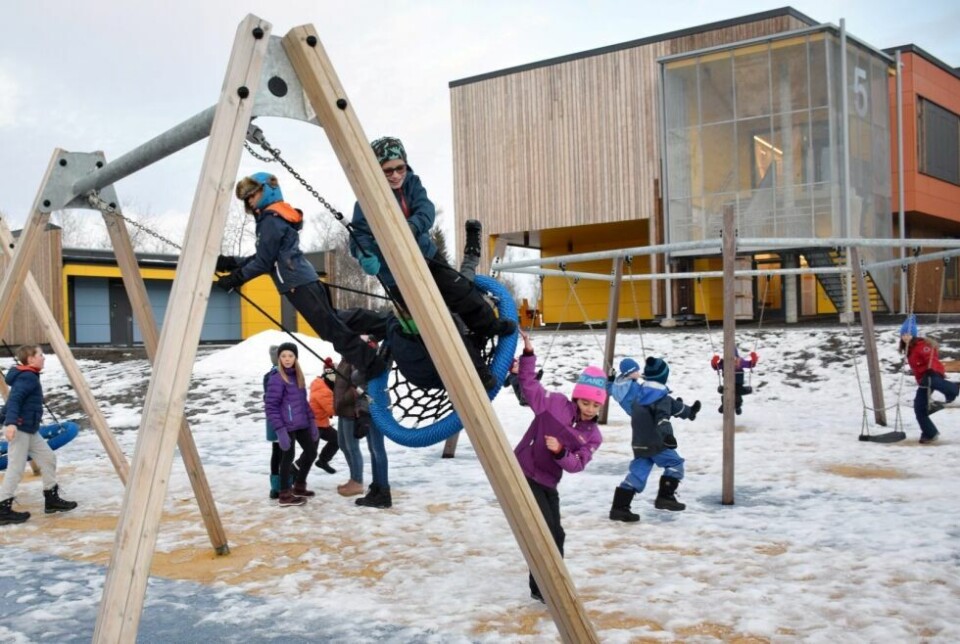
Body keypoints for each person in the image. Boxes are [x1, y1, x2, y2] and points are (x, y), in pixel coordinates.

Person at [217, 172, 386, 384]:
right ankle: (383, 324)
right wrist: (231, 263)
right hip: (303, 280)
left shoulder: (270, 220)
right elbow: (264, 256)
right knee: (334, 319)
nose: (250, 201)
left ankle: (371, 363)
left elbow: (264, 262)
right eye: (247, 199)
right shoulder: (275, 217)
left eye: (252, 195)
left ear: (266, 190)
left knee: (330, 329)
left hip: (298, 284)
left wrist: (235, 279)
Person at [349, 136, 515, 343]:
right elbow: (358, 235)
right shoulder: (365, 200)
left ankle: (487, 327)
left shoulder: (411, 183)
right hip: (394, 271)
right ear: (375, 170)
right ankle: (432, 357)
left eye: (400, 168)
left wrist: (412, 226)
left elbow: (425, 209)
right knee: (419, 319)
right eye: (388, 170)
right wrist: (365, 254)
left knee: (460, 291)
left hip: (425, 255)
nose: (396, 175)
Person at [512, 329, 604, 603]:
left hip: (549, 481)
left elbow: (577, 464)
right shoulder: (554, 406)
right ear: (576, 399)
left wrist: (561, 451)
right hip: (525, 472)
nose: (589, 409)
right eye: (585, 402)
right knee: (545, 531)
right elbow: (529, 386)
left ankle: (550, 584)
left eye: (595, 405)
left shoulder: (592, 436)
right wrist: (528, 355)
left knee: (557, 533)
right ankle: (544, 587)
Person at [607, 356, 700, 523]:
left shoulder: (639, 394)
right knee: (675, 464)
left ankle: (619, 508)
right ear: (663, 377)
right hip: (657, 442)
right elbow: (662, 418)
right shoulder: (659, 397)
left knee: (638, 473)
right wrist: (668, 436)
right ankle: (666, 497)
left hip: (639, 442)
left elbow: (673, 406)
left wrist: (689, 411)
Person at [0, 345, 77, 525]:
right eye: (41, 355)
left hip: (30, 429)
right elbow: (16, 401)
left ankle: (51, 500)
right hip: (19, 429)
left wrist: (4, 417)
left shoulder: (28, 376)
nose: (44, 357)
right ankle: (2, 508)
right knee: (16, 468)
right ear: (31, 359)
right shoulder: (27, 377)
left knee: (48, 458)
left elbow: (12, 400)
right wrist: (10, 423)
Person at [264, 342, 319, 506]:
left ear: (296, 358)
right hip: (286, 425)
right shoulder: (277, 378)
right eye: (283, 356)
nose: (287, 359)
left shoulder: (298, 376)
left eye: (290, 356)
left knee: (311, 452)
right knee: (288, 457)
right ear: (279, 358)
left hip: (301, 423)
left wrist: (312, 421)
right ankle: (284, 494)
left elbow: (303, 403)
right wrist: (280, 430)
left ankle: (299, 486)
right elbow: (271, 406)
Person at [900, 314, 958, 444]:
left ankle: (954, 389)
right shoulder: (909, 349)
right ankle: (929, 433)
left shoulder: (921, 345)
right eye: (903, 335)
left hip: (933, 373)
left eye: (908, 334)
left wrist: (931, 368)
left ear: (914, 335)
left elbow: (930, 357)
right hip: (924, 380)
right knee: (919, 407)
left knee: (930, 379)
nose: (905, 337)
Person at [309, 357, 340, 474]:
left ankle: (322, 461)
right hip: (314, 425)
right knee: (309, 454)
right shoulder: (323, 390)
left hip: (321, 423)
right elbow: (332, 410)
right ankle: (292, 473)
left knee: (337, 440)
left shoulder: (323, 384)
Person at [263, 344, 286, 500]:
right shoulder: (280, 375)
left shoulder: (268, 375)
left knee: (276, 452)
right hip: (283, 420)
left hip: (274, 420)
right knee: (285, 453)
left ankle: (275, 487)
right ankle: (284, 486)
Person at [710, 348, 759, 415]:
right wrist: (714, 361)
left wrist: (754, 359)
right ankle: (724, 405)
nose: (732, 361)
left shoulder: (740, 362)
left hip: (738, 384)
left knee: (737, 394)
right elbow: (716, 367)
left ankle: (737, 406)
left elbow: (750, 364)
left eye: (734, 358)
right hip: (727, 384)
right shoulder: (724, 362)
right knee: (726, 394)